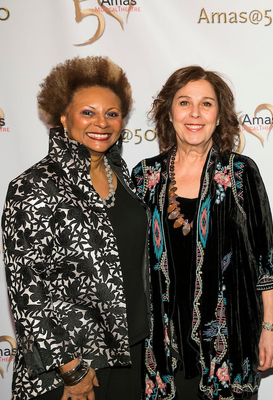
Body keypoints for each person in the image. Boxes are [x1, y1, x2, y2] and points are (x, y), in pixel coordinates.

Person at [2, 56, 150, 400]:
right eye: (88, 112)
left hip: (130, 352)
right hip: (71, 367)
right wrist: (70, 368)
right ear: (63, 117)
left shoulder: (123, 178)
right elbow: (26, 290)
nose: (102, 122)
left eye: (112, 114)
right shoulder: (35, 185)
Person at [132, 66, 273, 400]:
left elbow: (265, 260)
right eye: (184, 103)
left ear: (219, 115)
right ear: (168, 113)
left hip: (230, 338)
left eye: (206, 104)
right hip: (163, 343)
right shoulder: (144, 175)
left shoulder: (239, 171)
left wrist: (271, 327)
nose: (195, 113)